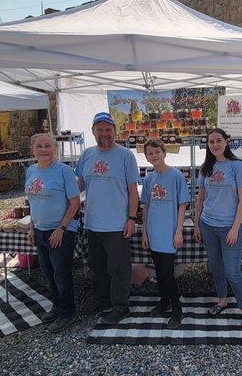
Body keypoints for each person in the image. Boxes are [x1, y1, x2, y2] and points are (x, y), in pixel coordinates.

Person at [75, 112, 139, 325]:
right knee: (97, 266)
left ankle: (121, 306)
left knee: (118, 268)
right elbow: (80, 185)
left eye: (108, 129)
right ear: (93, 131)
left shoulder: (125, 156)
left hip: (117, 224)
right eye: (99, 129)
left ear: (115, 131)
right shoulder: (86, 155)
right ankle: (102, 302)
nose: (104, 134)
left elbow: (133, 191)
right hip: (92, 222)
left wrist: (131, 218)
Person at [193, 128, 242, 329]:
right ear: (207, 145)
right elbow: (200, 197)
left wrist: (235, 228)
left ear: (227, 142)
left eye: (218, 140)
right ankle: (222, 300)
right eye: (211, 142)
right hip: (208, 224)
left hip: (230, 227)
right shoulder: (205, 168)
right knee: (216, 267)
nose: (215, 144)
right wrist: (196, 224)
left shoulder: (238, 166)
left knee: (232, 271)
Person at [26, 133, 81, 333]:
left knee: (61, 274)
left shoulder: (64, 171)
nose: (44, 150)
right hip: (40, 230)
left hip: (61, 231)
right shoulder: (31, 171)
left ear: (54, 149)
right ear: (33, 150)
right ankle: (57, 306)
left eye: (48, 146)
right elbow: (32, 201)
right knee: (48, 274)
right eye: (39, 146)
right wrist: (32, 227)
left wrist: (62, 228)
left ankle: (67, 313)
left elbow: (75, 202)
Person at [141, 140, 190, 329]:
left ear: (164, 153)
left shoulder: (176, 176)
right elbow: (146, 207)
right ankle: (164, 302)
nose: (154, 156)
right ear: (146, 157)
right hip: (153, 232)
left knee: (167, 274)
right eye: (150, 153)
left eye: (157, 152)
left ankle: (177, 311)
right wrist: (144, 232)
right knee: (158, 274)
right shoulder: (148, 179)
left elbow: (182, 205)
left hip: (169, 233)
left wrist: (178, 231)